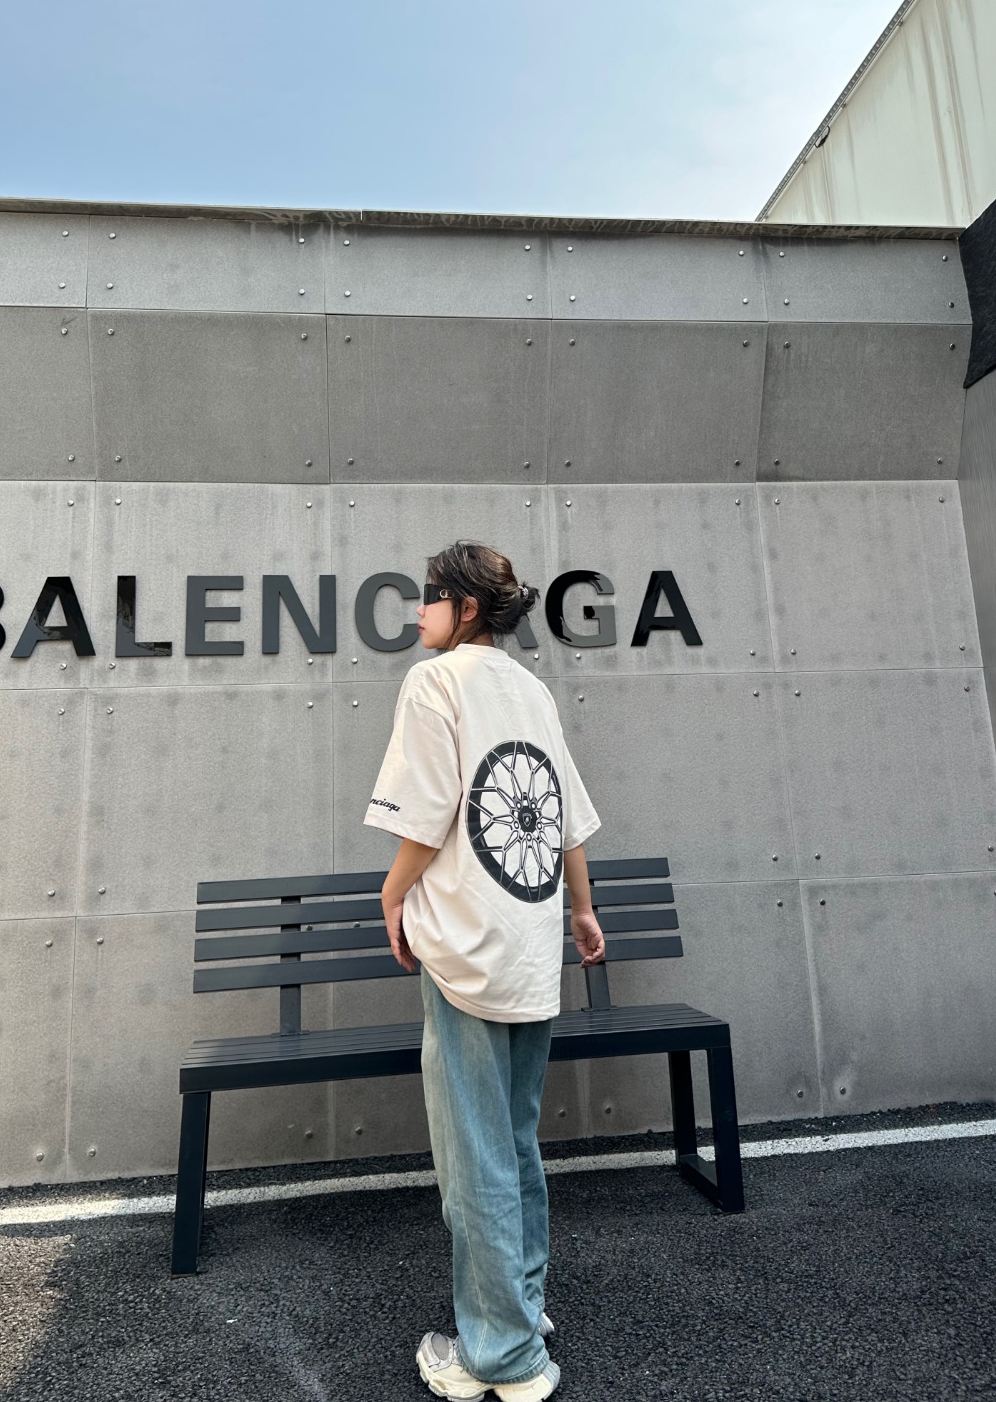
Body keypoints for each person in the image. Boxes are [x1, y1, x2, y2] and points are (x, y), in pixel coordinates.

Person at [364, 541, 605, 1402]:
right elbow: (566, 815)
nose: (418, 610)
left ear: (466, 606)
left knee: (474, 1153)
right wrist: (582, 910)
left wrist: (391, 894)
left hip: (467, 943)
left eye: (430, 596)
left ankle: (501, 1354)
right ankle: (521, 1305)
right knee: (513, 1137)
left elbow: (428, 813)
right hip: (532, 940)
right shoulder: (531, 690)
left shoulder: (434, 682)